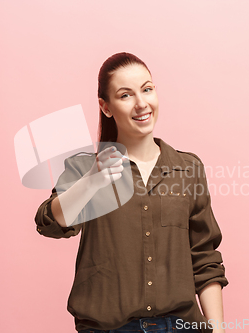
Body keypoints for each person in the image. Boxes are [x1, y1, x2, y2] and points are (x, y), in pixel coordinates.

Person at [34, 52, 228, 333]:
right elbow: (48, 223)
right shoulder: (86, 169)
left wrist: (218, 330)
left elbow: (204, 257)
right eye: (125, 95)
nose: (141, 104)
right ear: (106, 107)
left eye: (147, 90)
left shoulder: (187, 168)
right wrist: (91, 182)